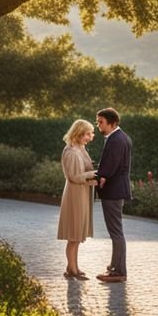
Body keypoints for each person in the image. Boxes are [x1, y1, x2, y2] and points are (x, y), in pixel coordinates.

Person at [93, 107, 132, 282]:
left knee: (116, 232)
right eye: (97, 121)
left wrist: (99, 176)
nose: (98, 125)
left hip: (114, 191)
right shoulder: (119, 137)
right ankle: (115, 265)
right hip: (116, 190)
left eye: (101, 122)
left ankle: (119, 272)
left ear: (112, 123)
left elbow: (110, 166)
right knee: (116, 232)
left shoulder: (116, 140)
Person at [57, 118, 98, 279]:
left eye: (91, 133)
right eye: (88, 134)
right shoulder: (71, 152)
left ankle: (72, 267)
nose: (90, 137)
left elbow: (85, 171)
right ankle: (73, 270)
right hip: (75, 195)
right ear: (78, 133)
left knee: (77, 235)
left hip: (81, 193)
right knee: (74, 235)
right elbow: (73, 176)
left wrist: (94, 176)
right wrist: (92, 175)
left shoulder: (80, 148)